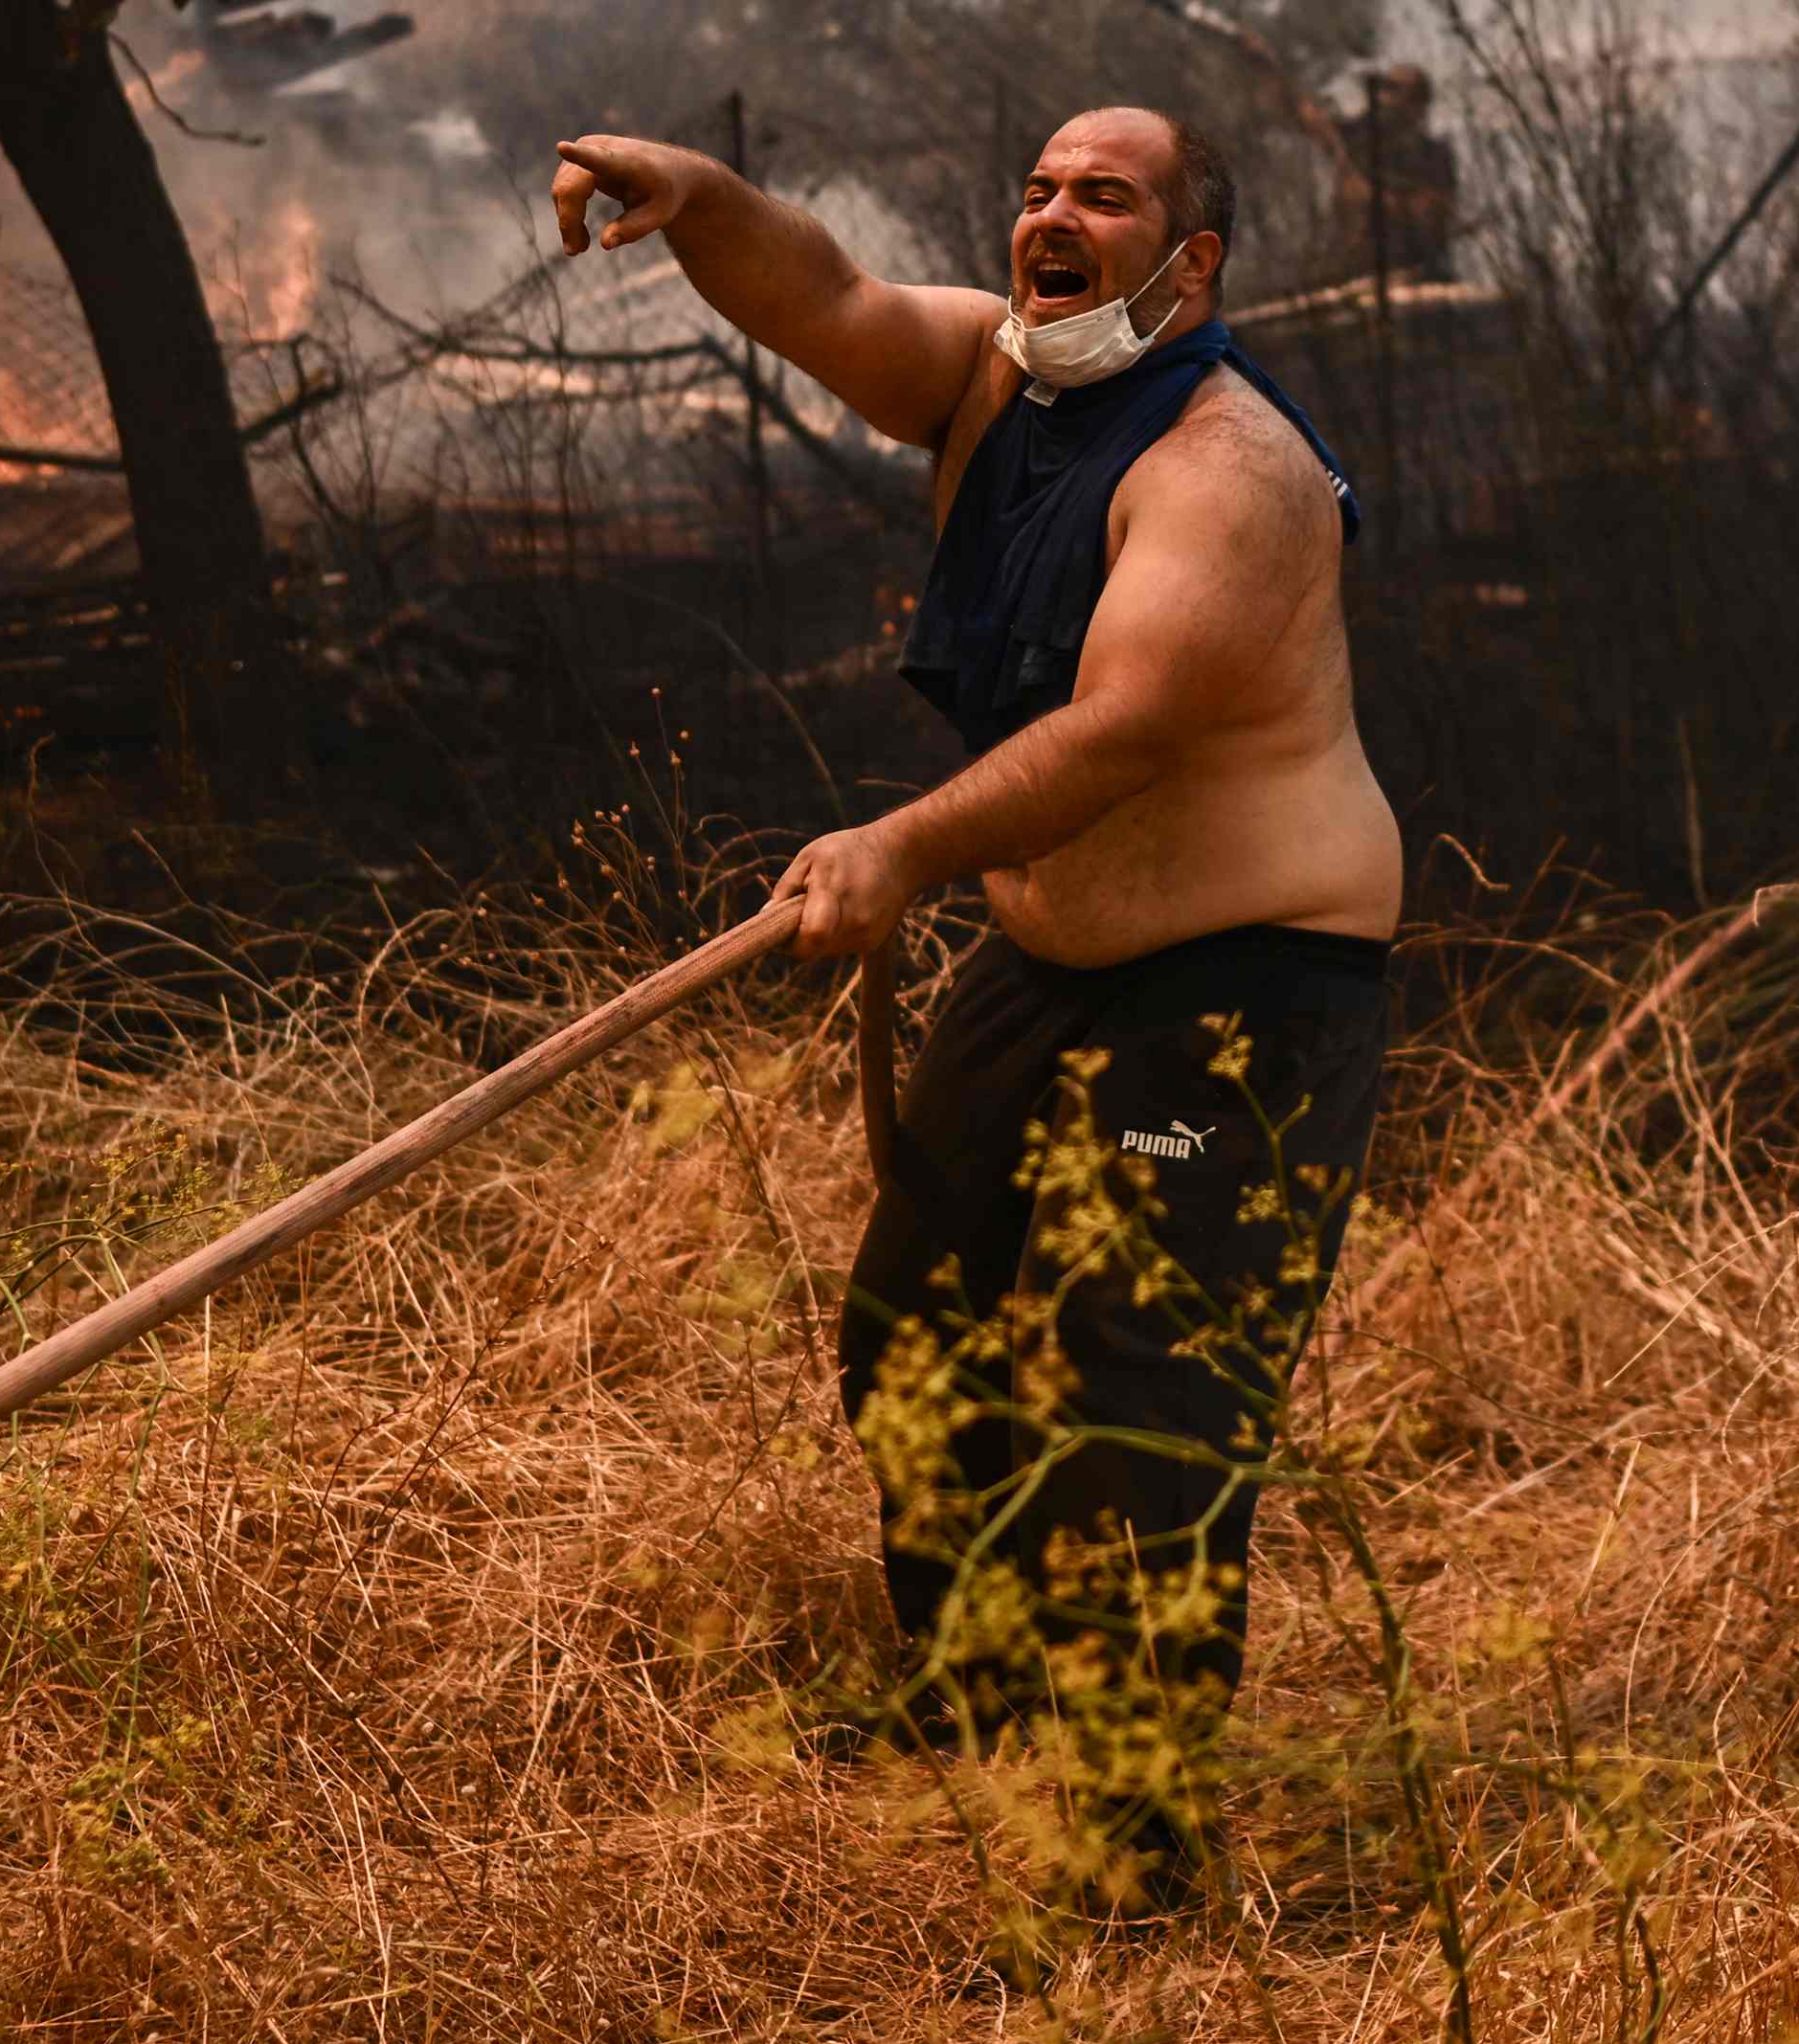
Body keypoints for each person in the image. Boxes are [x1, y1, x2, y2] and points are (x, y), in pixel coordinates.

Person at [548, 104, 1395, 1900]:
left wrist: (903, 852)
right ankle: (977, 1694)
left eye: (1107, 194)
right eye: (1037, 190)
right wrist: (697, 199)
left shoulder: (1228, 476)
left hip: (1239, 1004)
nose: (1053, 217)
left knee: (1133, 1384)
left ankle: (1141, 1841)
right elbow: (828, 295)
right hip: (1047, 974)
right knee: (915, 1333)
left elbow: (1121, 733)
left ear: (1195, 261)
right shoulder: (998, 383)